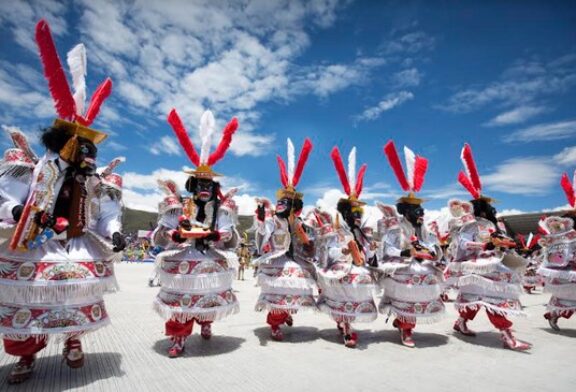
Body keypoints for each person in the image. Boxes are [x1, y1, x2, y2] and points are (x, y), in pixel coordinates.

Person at [0, 20, 125, 384]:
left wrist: (115, 232)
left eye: (92, 149)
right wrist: (17, 210)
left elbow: (105, 215)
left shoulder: (95, 182)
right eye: (83, 148)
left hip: (76, 243)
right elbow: (5, 197)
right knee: (29, 299)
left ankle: (73, 341)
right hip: (34, 241)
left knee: (75, 294)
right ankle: (26, 356)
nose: (90, 155)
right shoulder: (33, 168)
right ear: (66, 144)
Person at [152, 109, 240, 358]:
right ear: (193, 186)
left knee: (207, 295)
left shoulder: (222, 209)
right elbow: (162, 231)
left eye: (208, 185)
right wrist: (174, 236)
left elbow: (229, 233)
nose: (204, 189)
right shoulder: (178, 205)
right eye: (199, 184)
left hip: (209, 257)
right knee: (180, 300)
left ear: (214, 188)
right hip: (183, 257)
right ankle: (178, 336)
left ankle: (206, 321)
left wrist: (216, 236)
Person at [446, 143, 531, 351]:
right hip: (478, 265)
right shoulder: (470, 224)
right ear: (480, 209)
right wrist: (486, 244)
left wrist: (505, 244)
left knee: (482, 298)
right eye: (487, 206)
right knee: (494, 298)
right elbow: (464, 244)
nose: (491, 209)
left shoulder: (494, 224)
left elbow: (501, 242)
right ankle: (506, 335)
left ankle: (461, 322)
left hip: (493, 262)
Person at [376, 141, 445, 348]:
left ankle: (404, 323)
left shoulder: (425, 229)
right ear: (406, 212)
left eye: (422, 210)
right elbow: (388, 249)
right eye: (417, 211)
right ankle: (406, 329)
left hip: (422, 265)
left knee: (424, 287)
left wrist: (432, 252)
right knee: (409, 291)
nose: (421, 213)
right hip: (404, 266)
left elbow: (433, 245)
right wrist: (408, 251)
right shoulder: (396, 228)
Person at [313, 146, 378, 348]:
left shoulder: (363, 232)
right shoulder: (337, 230)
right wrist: (345, 251)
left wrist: (373, 249)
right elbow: (329, 251)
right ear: (347, 214)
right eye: (354, 214)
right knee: (347, 283)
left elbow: (368, 256)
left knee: (361, 281)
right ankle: (347, 327)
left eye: (360, 213)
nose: (358, 217)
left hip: (358, 268)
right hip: (341, 267)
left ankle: (346, 322)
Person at [253, 138, 316, 341]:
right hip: (277, 258)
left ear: (293, 205)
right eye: (279, 201)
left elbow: (305, 239)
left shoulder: (297, 222)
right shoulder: (273, 220)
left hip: (295, 259)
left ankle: (287, 312)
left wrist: (309, 246)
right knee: (280, 287)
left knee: (296, 285)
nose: (280, 204)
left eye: (285, 202)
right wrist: (262, 220)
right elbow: (264, 231)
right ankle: (275, 324)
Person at [537, 171, 576, 331]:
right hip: (568, 266)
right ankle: (554, 314)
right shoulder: (565, 228)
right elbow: (558, 248)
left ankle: (554, 314)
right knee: (568, 296)